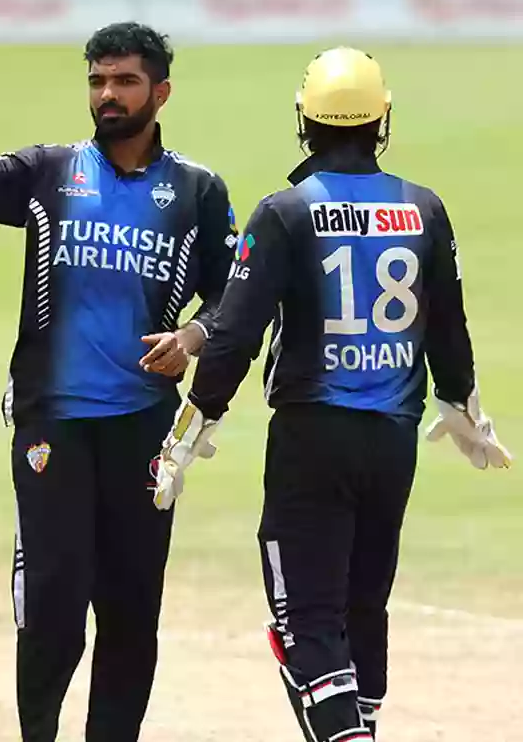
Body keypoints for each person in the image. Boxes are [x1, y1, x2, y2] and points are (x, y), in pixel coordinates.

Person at [154, 47, 513, 742]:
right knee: (363, 607)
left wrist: (191, 426)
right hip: (393, 439)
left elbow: (234, 336)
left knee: (304, 622)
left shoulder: (286, 211)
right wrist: (463, 406)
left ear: (304, 122)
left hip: (312, 438)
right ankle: (361, 728)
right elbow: (449, 326)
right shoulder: (424, 209)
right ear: (382, 120)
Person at [0, 22, 237, 742]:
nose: (107, 95)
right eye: (97, 81)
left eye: (124, 81)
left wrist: (194, 337)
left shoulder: (197, 191)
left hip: (143, 427)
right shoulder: (50, 172)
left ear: (161, 92)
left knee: (130, 610)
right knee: (54, 606)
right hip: (52, 420)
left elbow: (232, 295)